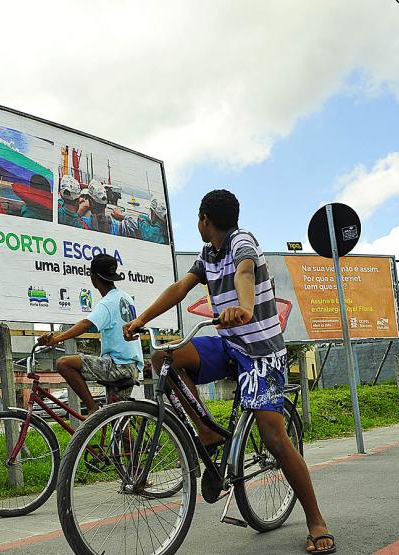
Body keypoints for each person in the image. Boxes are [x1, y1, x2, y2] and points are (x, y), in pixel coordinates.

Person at [124, 189, 335, 554]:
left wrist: (246, 306)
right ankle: (207, 433)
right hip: (230, 345)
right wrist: (142, 318)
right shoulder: (208, 254)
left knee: (274, 438)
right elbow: (180, 288)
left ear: (205, 219)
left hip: (261, 353)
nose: (198, 225)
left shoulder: (242, 242)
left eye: (198, 219)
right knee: (164, 358)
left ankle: (316, 520)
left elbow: (245, 272)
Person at [38, 253, 143, 415]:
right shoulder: (125, 297)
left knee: (63, 363)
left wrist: (56, 339)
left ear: (93, 277)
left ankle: (92, 408)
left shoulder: (108, 302)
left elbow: (86, 324)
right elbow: (97, 327)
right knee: (116, 422)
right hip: (131, 367)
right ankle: (126, 438)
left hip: (118, 365)